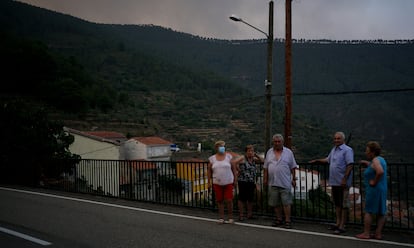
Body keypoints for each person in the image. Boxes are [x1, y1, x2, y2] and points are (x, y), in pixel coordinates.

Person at [309, 131, 354, 234]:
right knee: (337, 203)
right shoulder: (334, 149)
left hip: (342, 183)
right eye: (335, 138)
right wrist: (317, 161)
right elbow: (327, 160)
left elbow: (350, 165)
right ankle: (337, 223)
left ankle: (342, 225)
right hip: (334, 182)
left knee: (344, 205)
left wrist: (344, 179)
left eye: (338, 138)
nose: (336, 140)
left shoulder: (347, 150)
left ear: (343, 139)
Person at [263, 134, 298, 229]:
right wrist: (265, 179)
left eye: (279, 142)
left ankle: (287, 220)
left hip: (285, 181)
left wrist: (294, 179)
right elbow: (265, 167)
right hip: (272, 182)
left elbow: (293, 166)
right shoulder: (269, 152)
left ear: (282, 142)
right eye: (275, 141)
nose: (277, 143)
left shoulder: (288, 152)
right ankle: (279, 219)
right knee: (275, 203)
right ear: (273, 142)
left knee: (286, 203)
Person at [356, 141, 387, 240]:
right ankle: (378, 233)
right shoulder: (381, 159)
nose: (366, 152)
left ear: (372, 152)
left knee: (369, 211)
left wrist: (374, 181)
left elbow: (380, 171)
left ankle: (366, 233)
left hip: (374, 189)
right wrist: (368, 163)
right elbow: (376, 166)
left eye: (367, 150)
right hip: (382, 188)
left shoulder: (375, 161)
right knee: (381, 211)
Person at [207, 140, 237, 224]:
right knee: (219, 200)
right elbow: (209, 171)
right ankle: (221, 217)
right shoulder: (212, 158)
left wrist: (235, 180)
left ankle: (230, 217)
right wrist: (209, 182)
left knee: (229, 200)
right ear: (216, 148)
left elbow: (234, 169)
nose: (222, 148)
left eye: (223, 146)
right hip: (217, 182)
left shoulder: (229, 157)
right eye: (220, 146)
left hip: (228, 182)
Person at [233, 144, 263, 221]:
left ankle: (249, 214)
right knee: (242, 198)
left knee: (250, 198)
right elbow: (233, 162)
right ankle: (241, 215)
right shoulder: (243, 158)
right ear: (246, 152)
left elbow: (262, 161)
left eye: (252, 151)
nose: (250, 152)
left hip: (251, 181)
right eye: (249, 151)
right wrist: (238, 170)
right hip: (243, 181)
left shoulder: (253, 159)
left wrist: (255, 155)